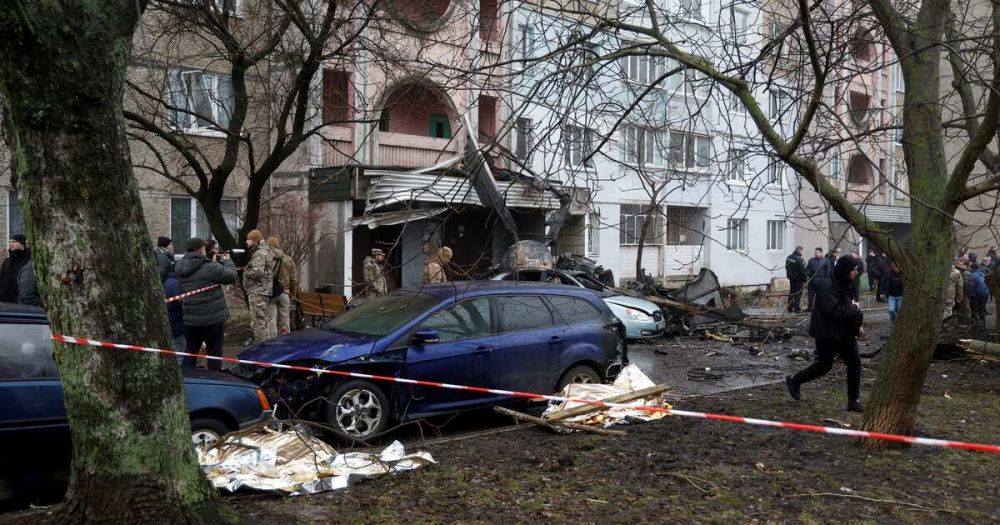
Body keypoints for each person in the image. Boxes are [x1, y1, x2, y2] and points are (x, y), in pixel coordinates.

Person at [786, 256, 865, 413]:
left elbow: (853, 306)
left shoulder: (849, 284)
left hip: (845, 333)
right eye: (853, 270)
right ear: (844, 270)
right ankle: (795, 381)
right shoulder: (826, 286)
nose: (855, 273)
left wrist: (859, 325)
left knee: (855, 363)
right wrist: (854, 309)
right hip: (827, 333)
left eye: (857, 270)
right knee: (824, 366)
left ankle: (853, 400)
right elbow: (834, 311)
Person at [175, 238, 237, 371]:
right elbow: (231, 276)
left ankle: (188, 380)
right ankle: (214, 381)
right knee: (214, 354)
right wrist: (227, 261)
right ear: (202, 248)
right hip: (212, 319)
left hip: (191, 319)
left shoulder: (180, 267)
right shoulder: (210, 267)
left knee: (190, 352)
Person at [244, 229, 276, 342]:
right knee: (263, 320)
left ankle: (260, 347)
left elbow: (258, 272)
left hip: (258, 291)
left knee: (258, 322)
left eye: (248, 240)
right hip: (262, 290)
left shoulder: (259, 253)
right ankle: (265, 346)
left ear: (254, 240)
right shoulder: (266, 251)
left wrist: (246, 273)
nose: (246, 242)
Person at [266, 236, 297, 336]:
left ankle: (272, 341)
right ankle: (284, 339)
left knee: (271, 319)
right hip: (285, 293)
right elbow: (294, 279)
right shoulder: (288, 259)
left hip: (271, 293)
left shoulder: (267, 259)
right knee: (285, 319)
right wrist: (293, 293)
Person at [0, 234, 36, 305]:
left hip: (20, 304)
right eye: (10, 242)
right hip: (5, 303)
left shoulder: (28, 261)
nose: (10, 244)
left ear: (22, 244)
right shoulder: (7, 262)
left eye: (13, 242)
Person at [163, 270, 186, 363]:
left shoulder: (166, 282)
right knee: (180, 348)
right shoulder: (175, 283)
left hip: (169, 320)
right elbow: (180, 302)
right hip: (176, 321)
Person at [805, 247, 829, 311]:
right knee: (811, 295)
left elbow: (828, 272)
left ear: (821, 253)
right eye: (815, 252)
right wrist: (808, 273)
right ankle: (810, 307)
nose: (815, 253)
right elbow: (807, 269)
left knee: (821, 296)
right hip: (812, 281)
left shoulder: (825, 260)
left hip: (821, 281)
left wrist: (826, 281)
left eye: (817, 252)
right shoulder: (811, 260)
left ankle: (820, 308)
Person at [785, 246, 807, 313]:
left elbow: (786, 267)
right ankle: (797, 309)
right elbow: (802, 272)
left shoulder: (789, 257)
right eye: (802, 251)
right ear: (800, 251)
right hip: (798, 280)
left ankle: (789, 308)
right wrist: (805, 279)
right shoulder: (799, 260)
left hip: (791, 279)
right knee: (797, 294)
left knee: (791, 293)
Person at [967, 263, 990, 327]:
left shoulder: (972, 276)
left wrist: (968, 295)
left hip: (975, 296)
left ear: (972, 268)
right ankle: (983, 325)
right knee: (981, 310)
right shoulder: (982, 274)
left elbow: (970, 287)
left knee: (974, 310)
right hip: (985, 294)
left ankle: (975, 326)